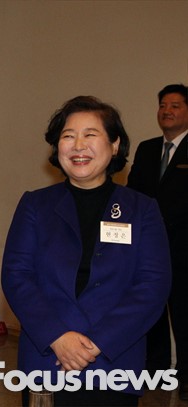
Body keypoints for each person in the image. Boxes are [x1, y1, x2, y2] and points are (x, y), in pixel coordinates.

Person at [2, 96, 172, 407]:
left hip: (114, 361)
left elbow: (153, 285)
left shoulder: (142, 209)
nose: (78, 145)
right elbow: (17, 277)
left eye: (90, 135)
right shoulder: (35, 205)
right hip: (47, 359)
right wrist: (58, 337)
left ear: (115, 145)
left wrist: (98, 343)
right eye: (68, 136)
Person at [127, 84, 188, 398]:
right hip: (149, 248)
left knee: (184, 312)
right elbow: (133, 195)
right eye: (163, 105)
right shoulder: (147, 149)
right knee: (152, 309)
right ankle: (156, 371)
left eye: (175, 105)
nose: (167, 111)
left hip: (184, 248)